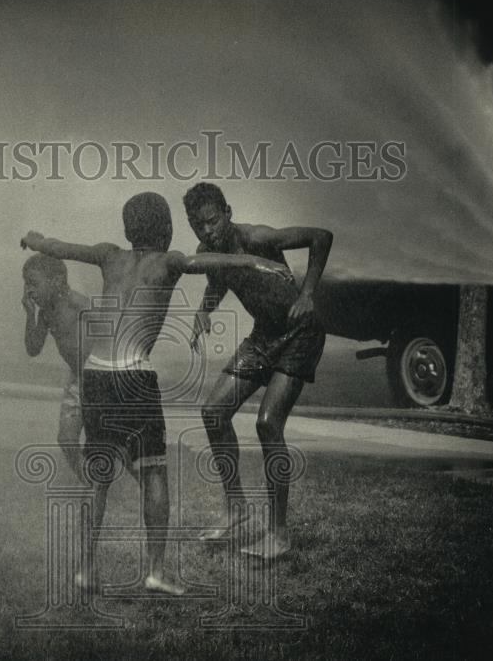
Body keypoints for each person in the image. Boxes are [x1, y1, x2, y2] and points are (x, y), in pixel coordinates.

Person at [20, 191, 292, 594]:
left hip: (94, 373)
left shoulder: (110, 254)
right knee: (153, 474)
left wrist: (38, 241)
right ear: (164, 229)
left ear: (129, 229)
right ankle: (156, 571)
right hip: (132, 376)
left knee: (99, 477)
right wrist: (261, 262)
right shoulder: (171, 261)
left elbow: (64, 248)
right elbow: (213, 262)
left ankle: (85, 569)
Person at [183, 182, 332, 560]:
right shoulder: (207, 251)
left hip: (300, 333)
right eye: (196, 225)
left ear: (228, 212)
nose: (205, 232)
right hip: (263, 336)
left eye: (211, 222)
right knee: (213, 412)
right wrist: (204, 309)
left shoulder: (257, 238)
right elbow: (219, 280)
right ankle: (236, 511)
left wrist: (307, 294)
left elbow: (321, 237)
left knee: (267, 423)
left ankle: (279, 534)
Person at [22, 254, 91, 478]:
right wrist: (29, 315)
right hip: (78, 379)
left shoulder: (77, 303)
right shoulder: (45, 315)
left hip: (99, 375)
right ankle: (90, 480)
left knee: (106, 440)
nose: (29, 290)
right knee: (66, 438)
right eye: (26, 284)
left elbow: (106, 330)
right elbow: (33, 349)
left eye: (33, 283)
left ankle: (130, 478)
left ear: (58, 282)